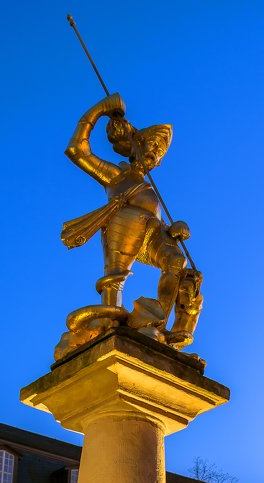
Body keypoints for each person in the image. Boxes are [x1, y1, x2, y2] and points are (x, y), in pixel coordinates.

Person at [61, 92, 193, 336]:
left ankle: (158, 326)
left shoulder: (150, 190)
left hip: (152, 232)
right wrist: (99, 110)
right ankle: (108, 320)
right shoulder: (118, 175)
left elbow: (159, 222)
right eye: (151, 145)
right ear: (136, 146)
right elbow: (77, 150)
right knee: (115, 278)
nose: (154, 153)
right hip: (124, 223)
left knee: (178, 263)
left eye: (159, 152)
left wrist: (176, 228)